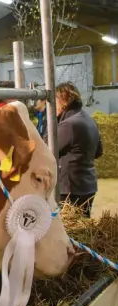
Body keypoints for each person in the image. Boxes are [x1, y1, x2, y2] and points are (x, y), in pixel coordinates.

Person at [45, 82, 103, 218]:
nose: (53, 105)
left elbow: (46, 150)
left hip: (71, 189)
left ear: (63, 100)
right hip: (88, 186)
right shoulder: (89, 119)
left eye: (55, 101)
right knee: (81, 227)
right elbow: (98, 152)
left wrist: (52, 120)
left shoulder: (68, 125)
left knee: (68, 231)